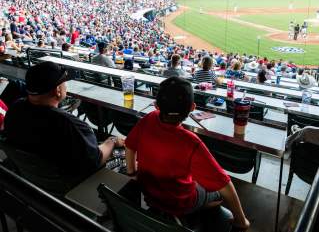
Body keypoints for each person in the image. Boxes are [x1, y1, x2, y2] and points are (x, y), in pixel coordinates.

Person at [125, 77, 250, 230]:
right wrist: (241, 221)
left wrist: (132, 172)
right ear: (192, 107)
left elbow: (129, 145)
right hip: (181, 202)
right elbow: (225, 185)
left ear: (156, 106)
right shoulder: (191, 142)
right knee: (217, 195)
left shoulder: (149, 118)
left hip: (148, 193)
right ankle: (187, 214)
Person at [3, 62, 124, 191]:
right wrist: (112, 141)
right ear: (58, 91)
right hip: (71, 186)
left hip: (35, 180)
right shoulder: (68, 124)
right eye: (64, 83)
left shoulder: (15, 109)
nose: (66, 86)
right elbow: (96, 160)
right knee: (124, 156)